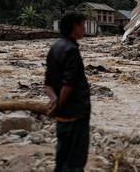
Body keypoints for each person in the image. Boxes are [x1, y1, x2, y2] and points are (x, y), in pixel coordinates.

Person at [45, 11, 91, 172]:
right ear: (75, 26)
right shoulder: (72, 51)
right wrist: (59, 104)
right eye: (83, 25)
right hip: (75, 115)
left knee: (61, 160)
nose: (84, 28)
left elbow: (48, 84)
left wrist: (54, 102)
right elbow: (68, 85)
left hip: (62, 118)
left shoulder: (55, 48)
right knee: (75, 164)